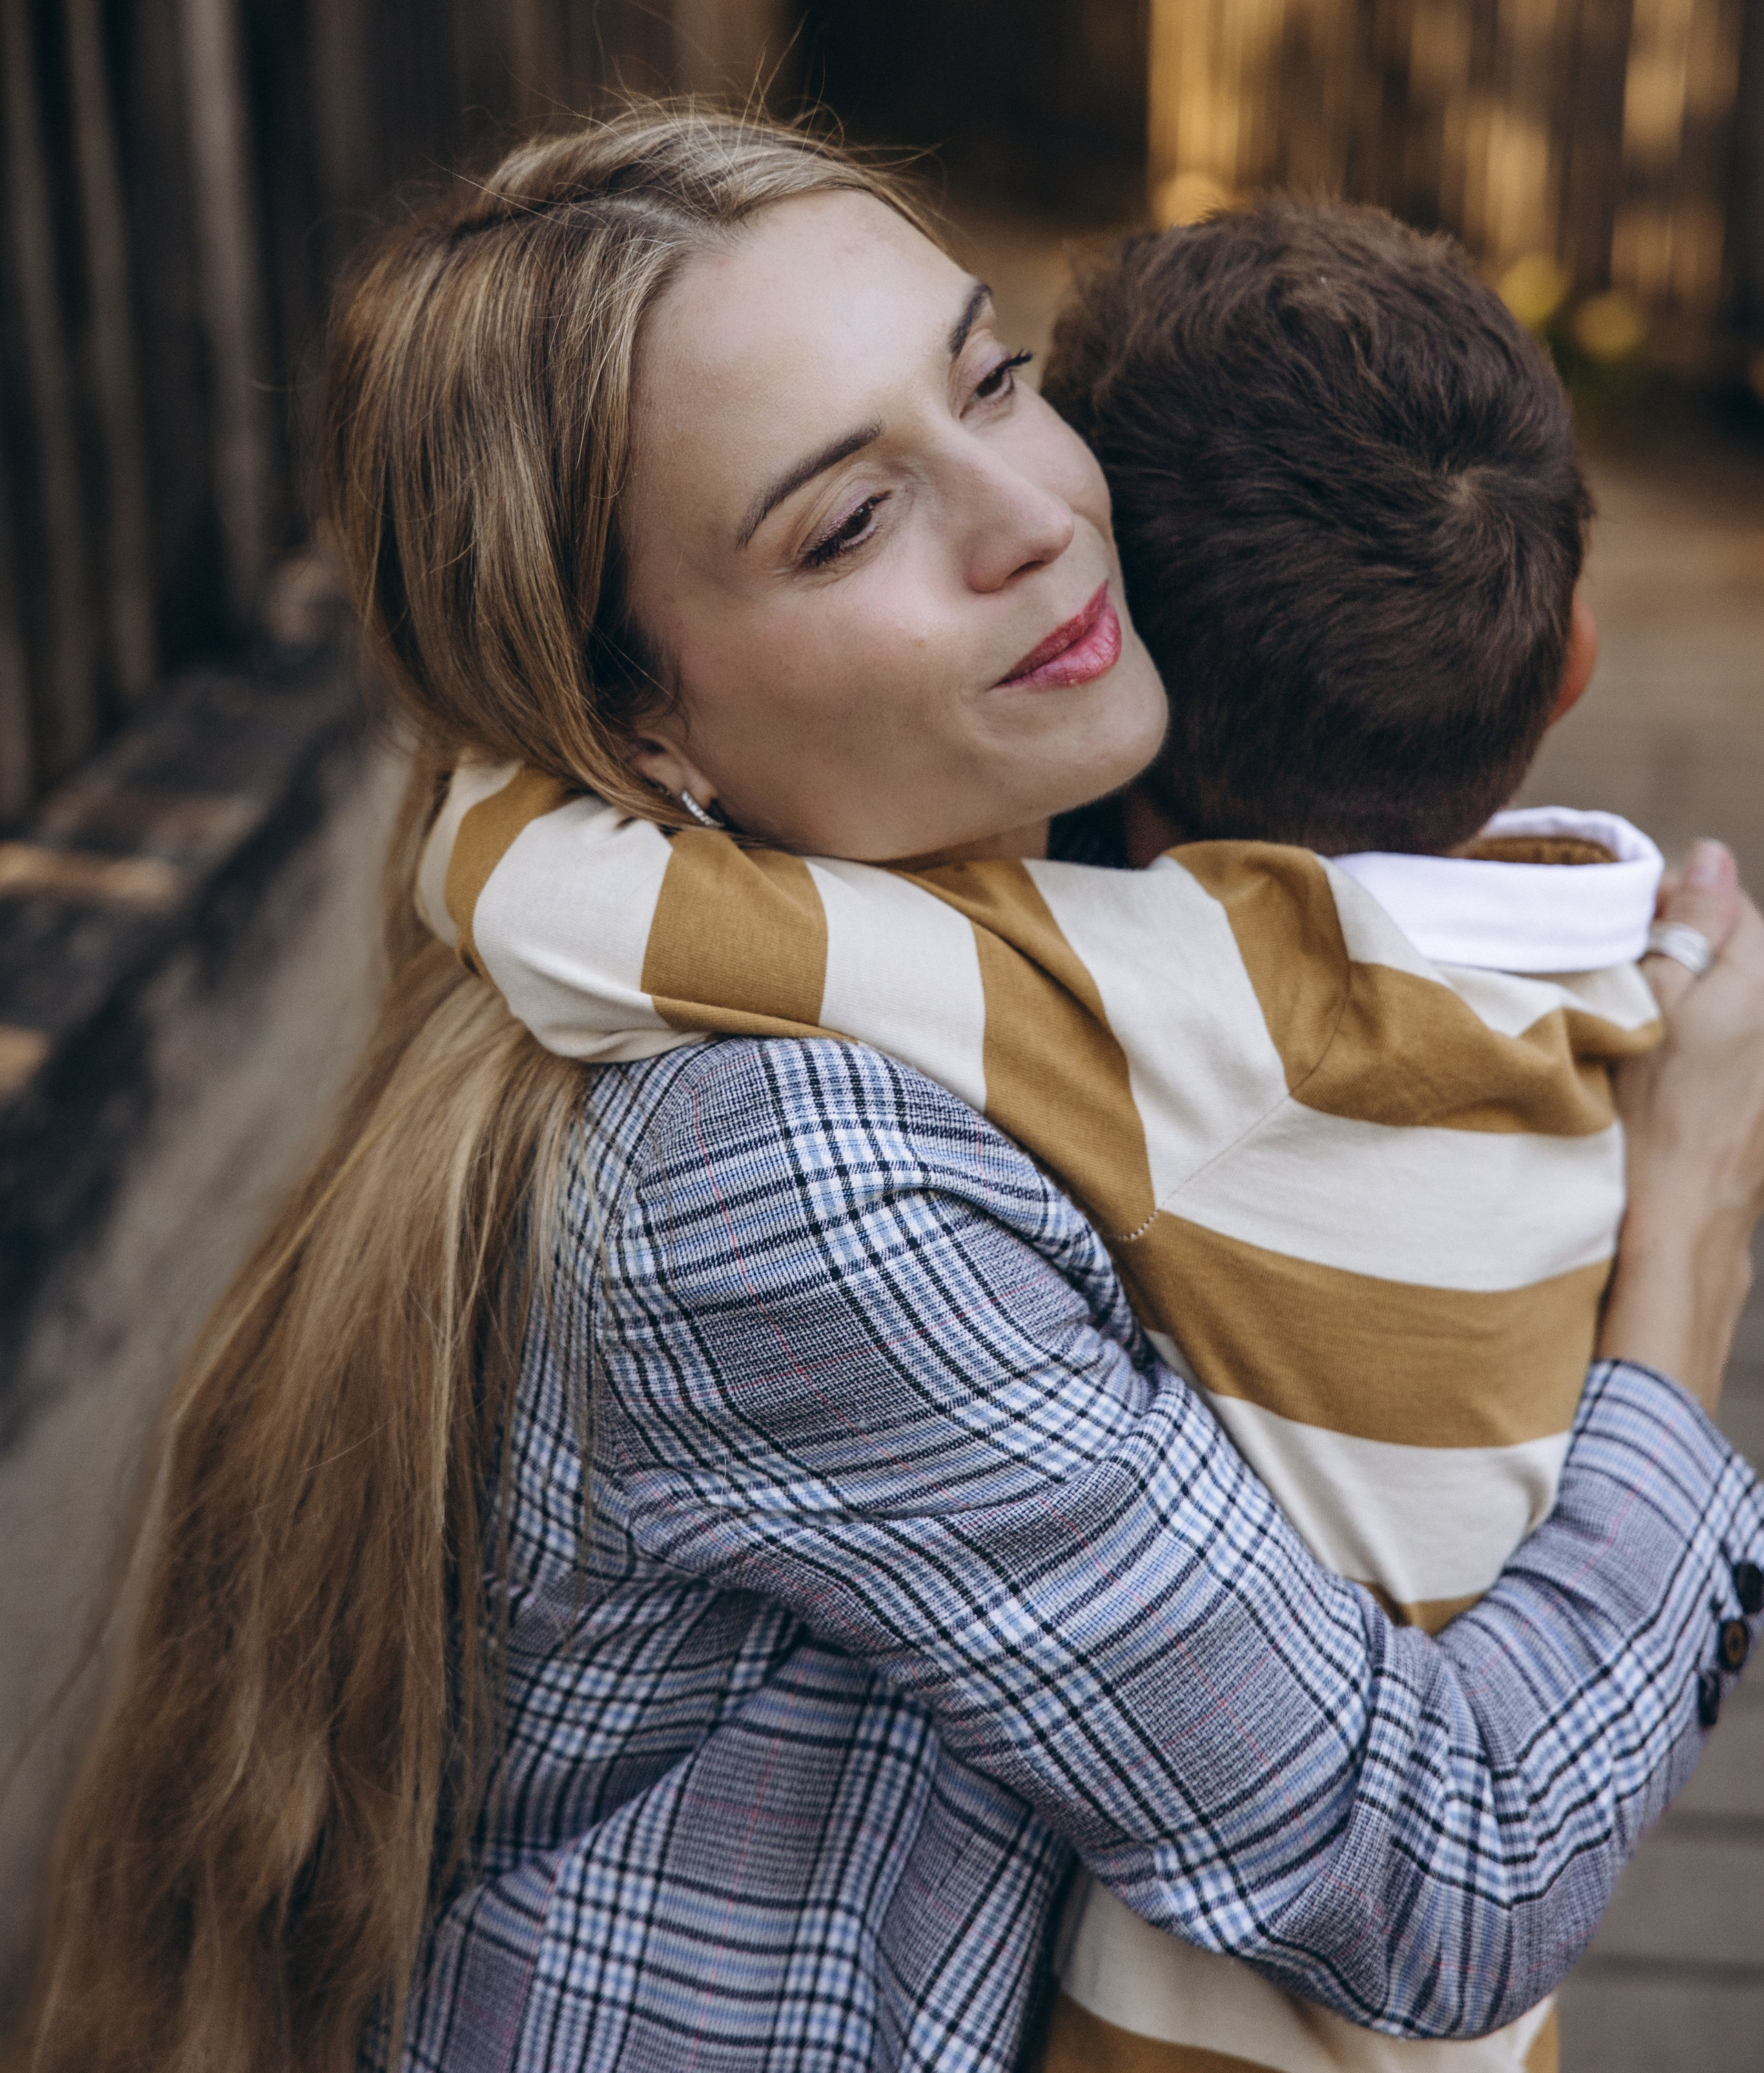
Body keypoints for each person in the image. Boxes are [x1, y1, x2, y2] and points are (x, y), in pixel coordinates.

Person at [24, 112, 1764, 2073]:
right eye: (845, 524)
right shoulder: (800, 1175)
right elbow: (1449, 1879)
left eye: (993, 379)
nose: (1031, 517)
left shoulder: (841, 907)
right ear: (634, 723)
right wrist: (1685, 1225)